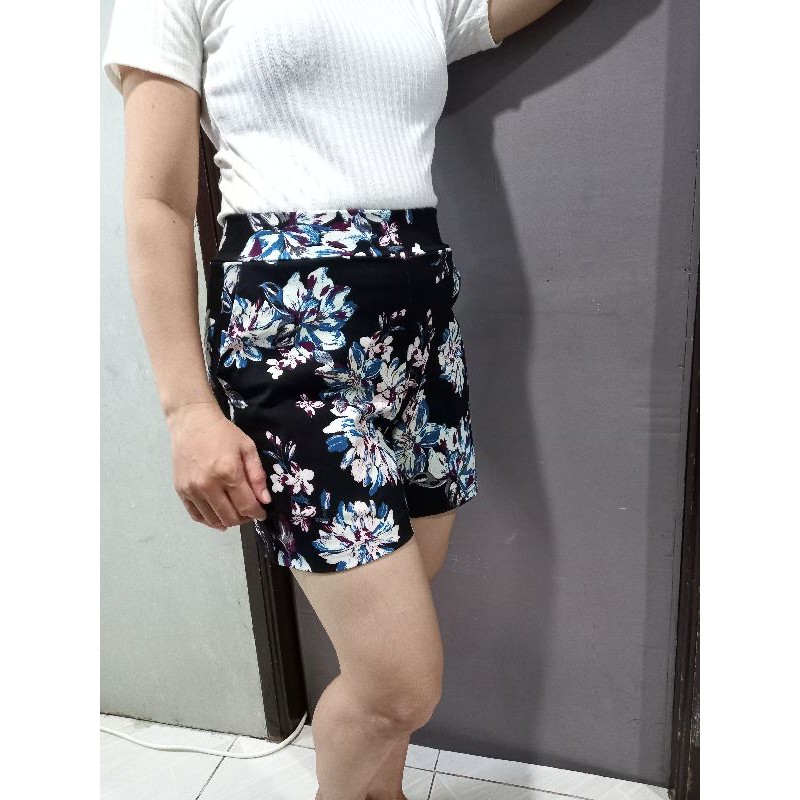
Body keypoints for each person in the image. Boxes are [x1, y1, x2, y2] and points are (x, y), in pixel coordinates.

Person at [102, 2, 561, 798]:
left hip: (421, 341)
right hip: (292, 341)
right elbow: (159, 204)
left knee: (400, 623)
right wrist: (188, 411)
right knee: (399, 684)